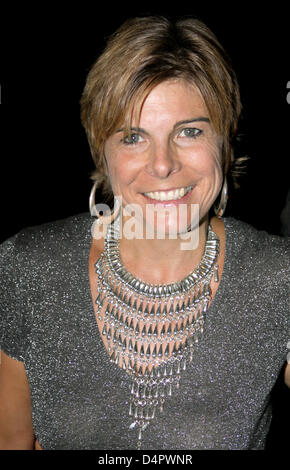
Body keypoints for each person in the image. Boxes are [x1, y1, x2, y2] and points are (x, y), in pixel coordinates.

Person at [0, 16, 289, 451]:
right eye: (133, 137)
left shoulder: (278, 277)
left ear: (225, 144)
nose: (162, 164)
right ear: (103, 150)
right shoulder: (28, 267)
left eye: (189, 131)